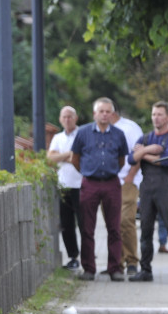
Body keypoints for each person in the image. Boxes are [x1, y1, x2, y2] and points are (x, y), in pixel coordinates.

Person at [70, 97, 130, 281]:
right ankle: (88, 269)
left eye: (108, 111)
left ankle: (115, 269)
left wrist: (109, 172)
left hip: (112, 183)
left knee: (114, 227)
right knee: (87, 228)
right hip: (90, 183)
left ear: (112, 114)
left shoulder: (119, 134)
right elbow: (75, 158)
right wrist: (88, 172)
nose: (104, 115)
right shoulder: (83, 132)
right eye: (101, 111)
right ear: (95, 114)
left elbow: (121, 160)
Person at [130, 101, 168, 284]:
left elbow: (166, 161)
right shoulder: (146, 138)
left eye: (160, 114)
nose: (156, 118)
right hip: (147, 188)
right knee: (145, 229)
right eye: (154, 114)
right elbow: (132, 159)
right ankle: (145, 270)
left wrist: (143, 154)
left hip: (167, 186)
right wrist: (149, 151)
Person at [46, 106, 82, 269]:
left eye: (70, 116)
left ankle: (88, 257)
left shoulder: (82, 134)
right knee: (66, 224)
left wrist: (65, 156)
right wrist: (69, 155)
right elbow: (50, 158)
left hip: (81, 185)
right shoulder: (58, 137)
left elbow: (81, 157)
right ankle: (73, 257)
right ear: (60, 119)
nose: (67, 119)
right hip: (64, 186)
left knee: (84, 224)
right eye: (64, 117)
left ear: (76, 118)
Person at [111, 107, 143, 277]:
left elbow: (138, 153)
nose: (100, 115)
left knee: (125, 220)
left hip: (126, 181)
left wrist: (130, 176)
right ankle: (117, 262)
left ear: (113, 112)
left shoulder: (130, 128)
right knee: (113, 224)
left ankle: (131, 261)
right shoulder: (100, 129)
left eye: (104, 111)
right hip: (107, 182)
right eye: (98, 111)